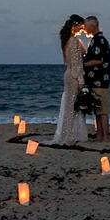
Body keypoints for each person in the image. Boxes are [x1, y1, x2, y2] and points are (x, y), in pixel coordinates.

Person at [43, 14, 88, 145]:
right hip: (73, 75)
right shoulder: (73, 41)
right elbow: (76, 63)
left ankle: (70, 133)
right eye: (81, 25)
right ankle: (69, 136)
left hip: (68, 73)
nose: (83, 28)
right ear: (76, 25)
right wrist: (81, 80)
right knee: (72, 106)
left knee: (70, 105)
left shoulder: (67, 40)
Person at [83, 16, 110, 142]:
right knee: (98, 110)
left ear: (92, 26)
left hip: (100, 80)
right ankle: (100, 135)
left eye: (86, 26)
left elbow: (97, 60)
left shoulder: (99, 41)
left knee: (103, 110)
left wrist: (82, 65)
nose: (84, 29)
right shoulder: (95, 40)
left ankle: (105, 136)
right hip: (94, 81)